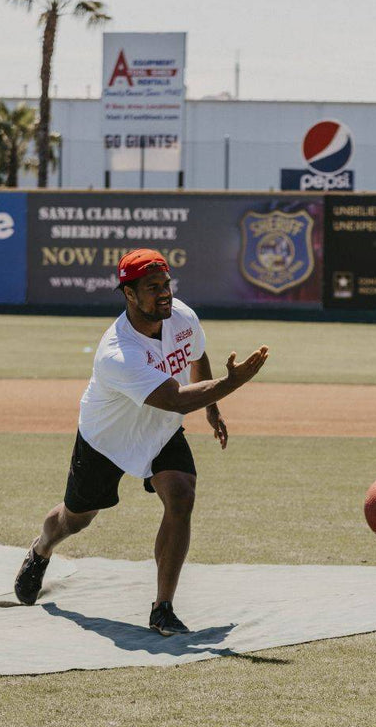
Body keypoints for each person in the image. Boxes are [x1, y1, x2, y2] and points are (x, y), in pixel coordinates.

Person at [14, 248, 269, 635]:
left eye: (166, 284)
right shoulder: (117, 353)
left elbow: (197, 357)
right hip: (107, 439)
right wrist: (231, 385)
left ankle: (162, 607)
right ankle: (41, 549)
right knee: (75, 519)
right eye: (153, 287)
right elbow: (175, 397)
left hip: (161, 429)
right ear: (129, 294)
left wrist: (212, 407)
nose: (164, 293)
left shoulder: (181, 315)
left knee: (181, 495)